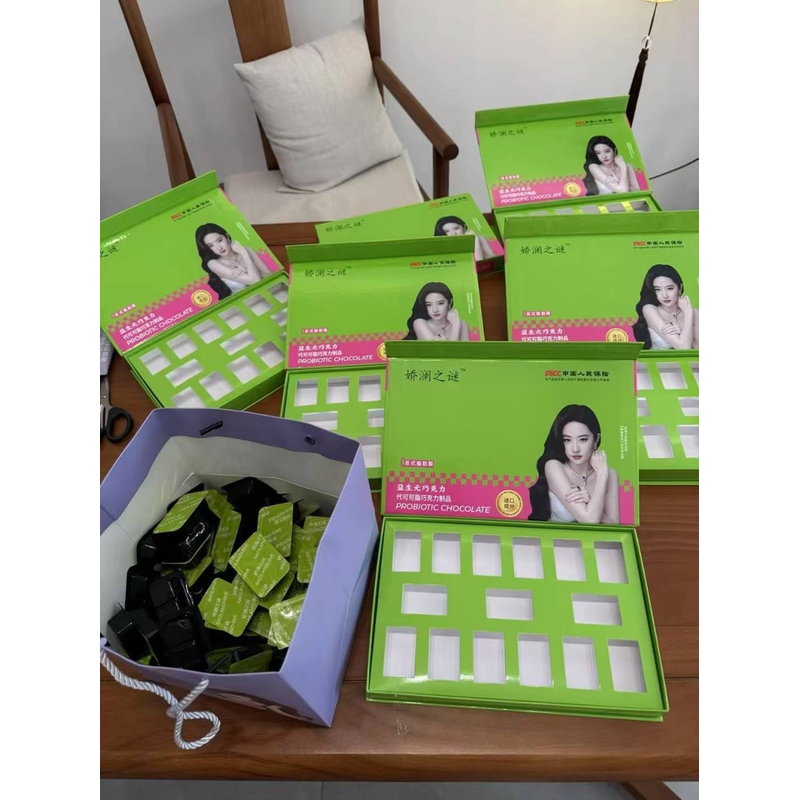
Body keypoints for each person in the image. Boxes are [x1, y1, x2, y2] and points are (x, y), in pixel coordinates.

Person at [528, 405, 620, 524]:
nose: (575, 449)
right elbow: (590, 521)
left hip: (593, 537)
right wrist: (601, 477)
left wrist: (601, 476)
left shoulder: (610, 474)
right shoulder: (554, 467)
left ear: (596, 440)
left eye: (583, 439)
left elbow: (615, 527)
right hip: (556, 535)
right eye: (567, 440)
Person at [632, 264, 699, 350]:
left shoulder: (695, 312)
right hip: (658, 359)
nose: (664, 295)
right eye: (657, 289)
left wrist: (687, 314)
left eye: (669, 288)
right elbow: (683, 347)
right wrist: (689, 314)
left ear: (679, 288)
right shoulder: (650, 309)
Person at [195, 223, 268, 298]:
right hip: (247, 302)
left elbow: (268, 275)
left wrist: (244, 255)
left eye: (219, 240)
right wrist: (245, 257)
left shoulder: (247, 250)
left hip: (267, 294)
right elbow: (256, 281)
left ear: (226, 237)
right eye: (211, 245)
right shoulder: (213, 263)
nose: (219, 248)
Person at [403, 282, 470, 340]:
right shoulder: (420, 323)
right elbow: (445, 350)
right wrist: (456, 326)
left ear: (449, 303)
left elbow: (465, 350)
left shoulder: (462, 324)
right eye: (429, 305)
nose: (435, 310)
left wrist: (456, 324)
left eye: (440, 303)